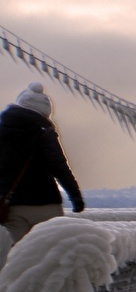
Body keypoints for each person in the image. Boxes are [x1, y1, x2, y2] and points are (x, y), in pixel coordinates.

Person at [0, 81, 84, 244]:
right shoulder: (43, 132)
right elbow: (58, 165)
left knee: (21, 253)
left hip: (9, 205)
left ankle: (15, 269)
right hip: (43, 202)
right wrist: (75, 195)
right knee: (48, 252)